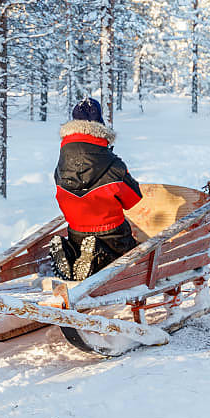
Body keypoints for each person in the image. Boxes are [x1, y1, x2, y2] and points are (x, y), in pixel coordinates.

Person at [50, 98, 143, 281]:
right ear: (101, 127)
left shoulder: (61, 166)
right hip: (113, 234)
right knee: (129, 254)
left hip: (76, 233)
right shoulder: (114, 165)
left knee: (82, 243)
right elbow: (133, 200)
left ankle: (72, 254)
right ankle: (98, 256)